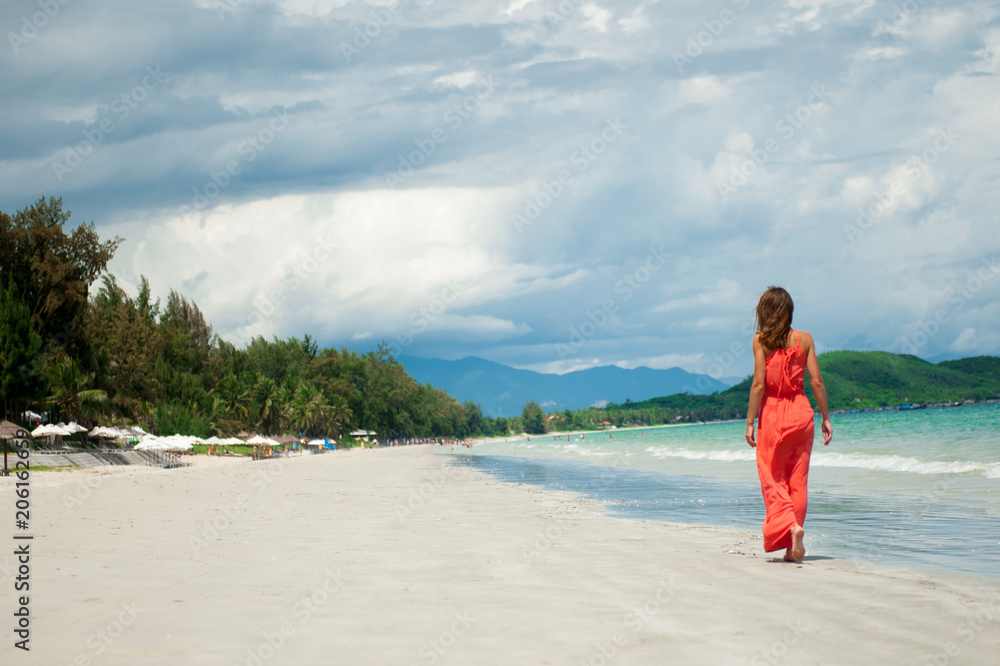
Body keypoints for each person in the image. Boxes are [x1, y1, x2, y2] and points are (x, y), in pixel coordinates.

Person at [745, 286, 833, 563]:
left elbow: (759, 383)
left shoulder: (760, 340)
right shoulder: (804, 339)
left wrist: (750, 422)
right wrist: (826, 417)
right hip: (802, 413)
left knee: (772, 476)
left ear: (764, 311)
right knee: (799, 480)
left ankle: (790, 527)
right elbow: (817, 381)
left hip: (773, 413)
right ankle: (791, 549)